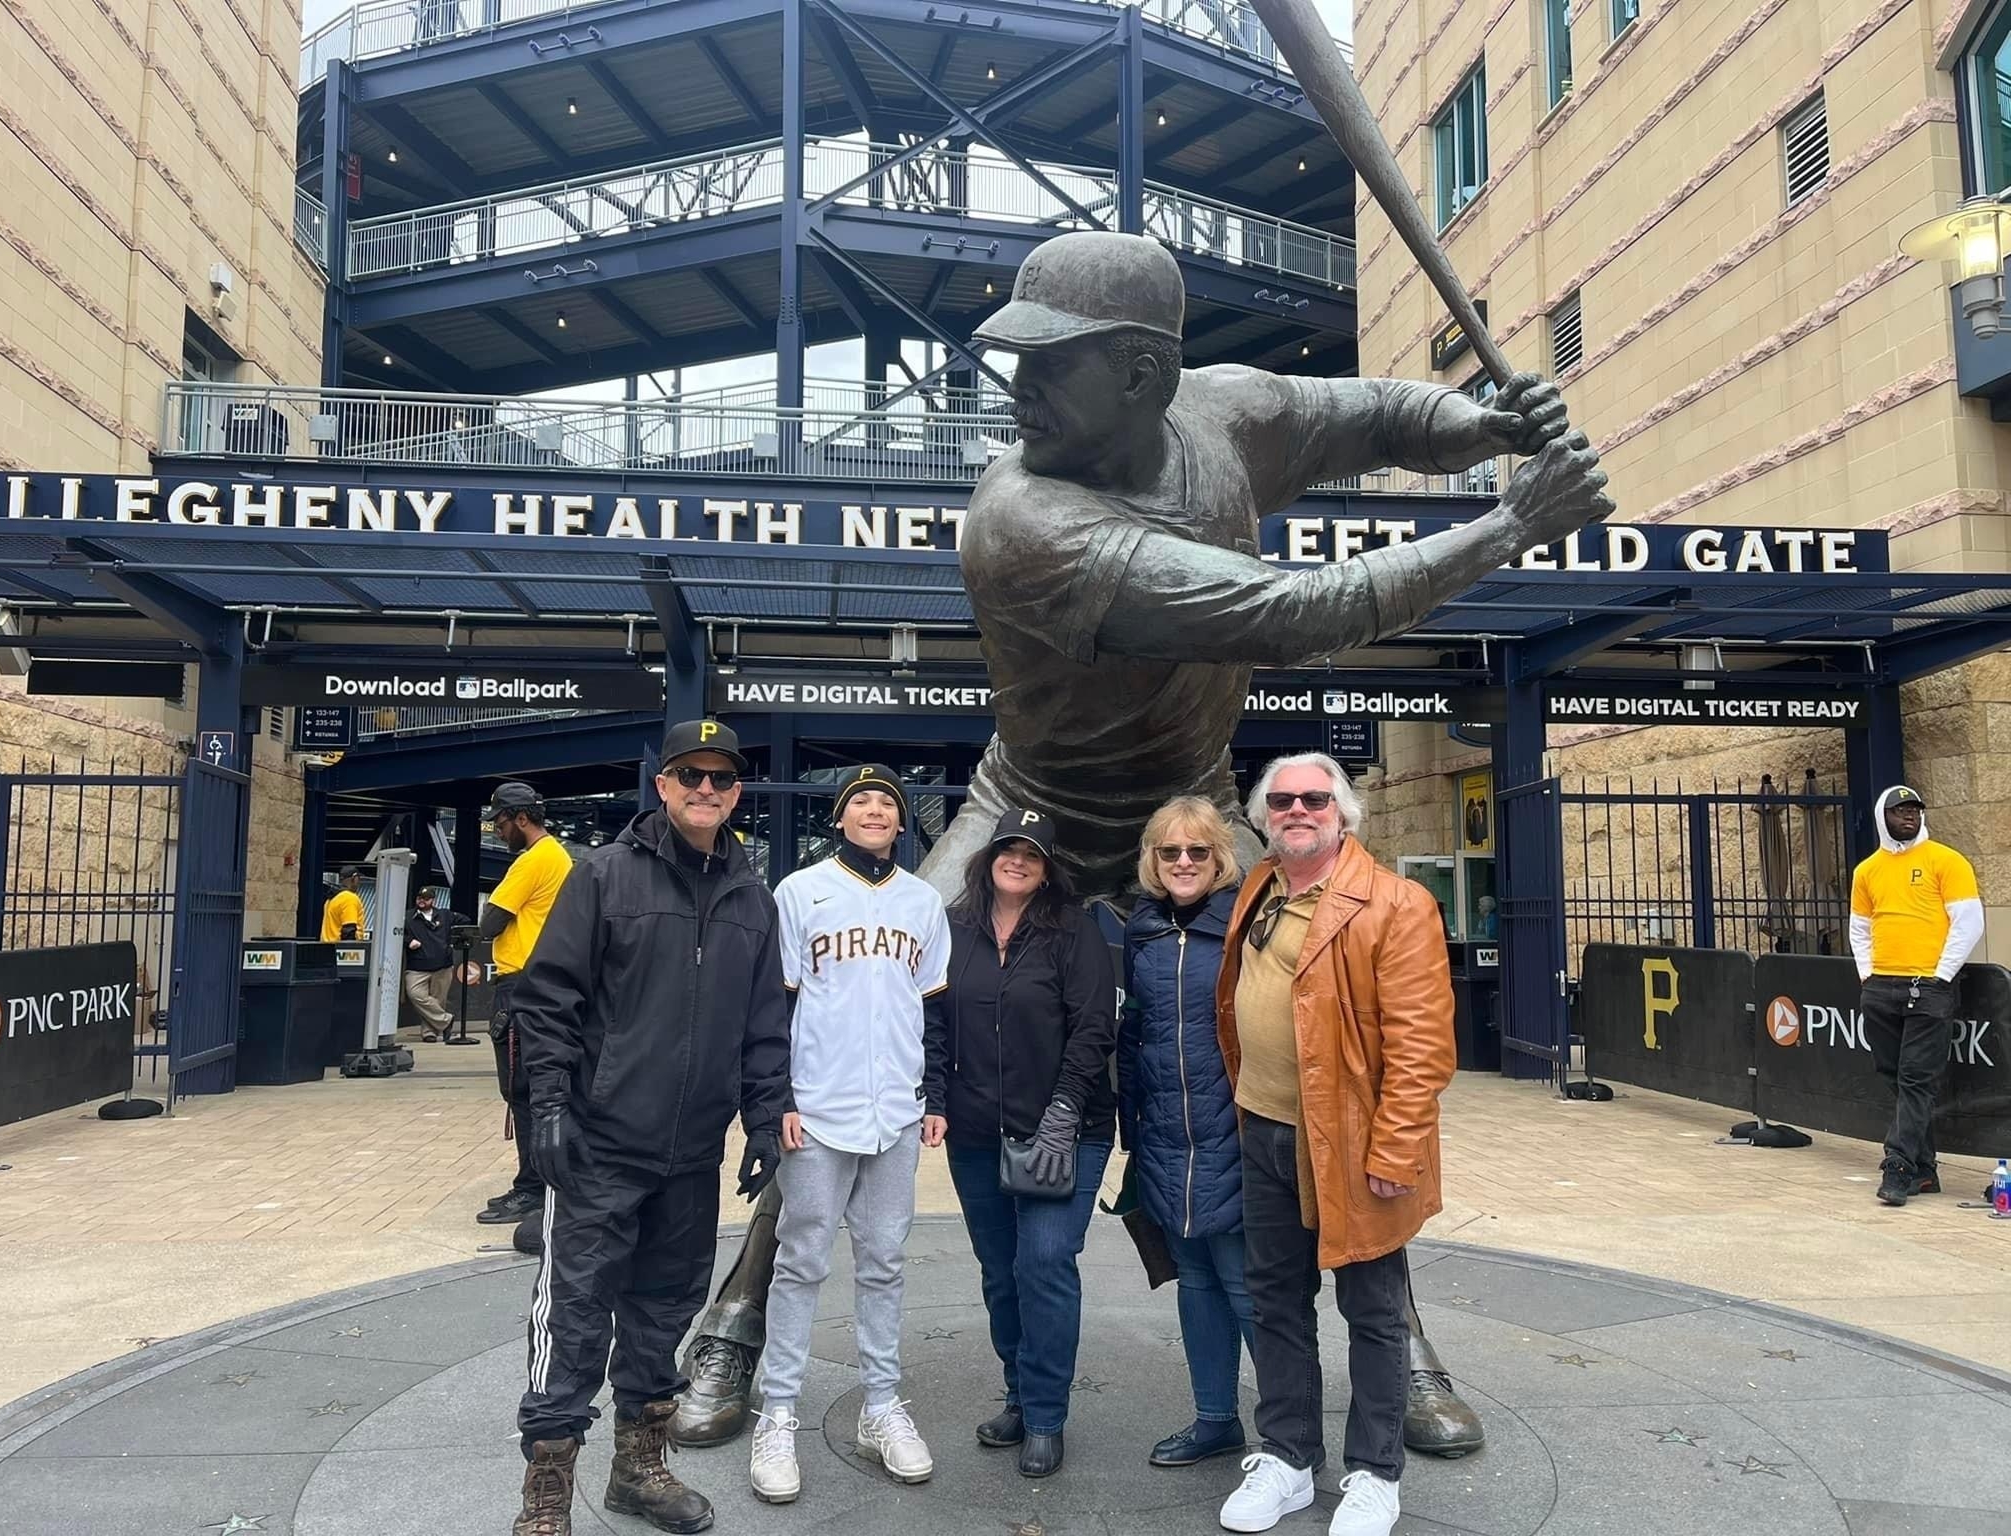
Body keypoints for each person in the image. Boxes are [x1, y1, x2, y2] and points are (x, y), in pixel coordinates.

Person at [678, 228, 1608, 1453]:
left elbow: (1382, 412)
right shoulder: (1018, 516)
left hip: (1187, 811)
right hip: (1030, 814)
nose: (1013, 389)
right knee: (866, 1032)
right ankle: (738, 1314)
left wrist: (1480, 425)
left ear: (1140, 372)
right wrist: (1507, 525)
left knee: (1302, 1051)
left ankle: (1398, 1331)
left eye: (1046, 363)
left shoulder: (1230, 412)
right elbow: (1292, 614)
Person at [505, 720, 791, 1536]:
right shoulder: (603, 876)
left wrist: (765, 1120)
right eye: (690, 775)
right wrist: (551, 1104)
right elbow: (548, 997)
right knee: (575, 1308)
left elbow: (763, 1023)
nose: (707, 788)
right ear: (662, 785)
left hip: (691, 1154)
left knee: (664, 1311)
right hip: (600, 1145)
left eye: (722, 779)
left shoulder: (752, 899)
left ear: (737, 795)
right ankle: (547, 1485)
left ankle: (638, 1467)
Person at [1214, 754, 1456, 1536]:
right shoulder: (1261, 886)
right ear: (1262, 816)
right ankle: (1287, 1458)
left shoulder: (1396, 903)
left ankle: (1375, 1472)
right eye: (1281, 800)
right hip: (1267, 1129)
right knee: (1276, 1301)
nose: (1297, 811)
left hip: (1353, 1144)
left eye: (1314, 799)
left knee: (1374, 1312)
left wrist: (1394, 1151)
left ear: (1342, 811)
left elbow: (1423, 1047)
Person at [747, 765, 951, 1504]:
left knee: (885, 1260)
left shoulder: (923, 900)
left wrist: (937, 1093)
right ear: (841, 819)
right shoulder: (800, 890)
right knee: (801, 1262)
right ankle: (778, 1411)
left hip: (896, 1107)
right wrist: (778, 1098)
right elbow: (774, 1005)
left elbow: (933, 1010)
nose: (874, 809)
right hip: (817, 1108)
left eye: (887, 802)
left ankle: (880, 1406)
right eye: (860, 800)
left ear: (901, 822)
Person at [940, 806, 1118, 1480]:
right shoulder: (955, 926)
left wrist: (1064, 1111)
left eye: (1033, 853)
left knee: (1043, 1262)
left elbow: (1093, 1025)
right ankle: (1017, 1392)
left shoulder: (1075, 930)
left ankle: (1046, 1415)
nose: (1018, 860)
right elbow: (934, 1019)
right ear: (989, 858)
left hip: (1064, 1128)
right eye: (1008, 848)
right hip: (978, 1129)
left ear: (1048, 870)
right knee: (1000, 1268)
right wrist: (936, 1103)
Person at [1119, 796, 1252, 1469]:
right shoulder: (1142, 935)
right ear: (1152, 860)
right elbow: (1134, 1032)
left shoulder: (1246, 930)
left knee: (1249, 1289)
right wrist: (1131, 1131)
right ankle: (1215, 1418)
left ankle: (1292, 1436)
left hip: (1234, 1138)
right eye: (1170, 851)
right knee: (1197, 1282)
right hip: (1169, 1139)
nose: (1183, 862)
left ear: (1219, 858)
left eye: (1197, 850)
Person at [1849, 785, 1983, 1207]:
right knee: (1894, 1076)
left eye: (1914, 809)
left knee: (1915, 1079)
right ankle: (1925, 1170)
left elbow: (1969, 922)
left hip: (1929, 988)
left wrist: (1941, 976)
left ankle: (1899, 1165)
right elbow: (1860, 928)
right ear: (1881, 816)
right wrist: (1867, 976)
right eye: (1899, 810)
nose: (1909, 815)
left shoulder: (1947, 860)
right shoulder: (1867, 871)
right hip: (1881, 987)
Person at [476, 783, 573, 1228]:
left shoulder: (533, 860)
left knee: (521, 1090)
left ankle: (532, 1189)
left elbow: (488, 922)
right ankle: (534, 1183)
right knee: (536, 1089)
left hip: (521, 988)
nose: (497, 831)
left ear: (520, 818)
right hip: (543, 984)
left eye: (499, 822)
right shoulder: (558, 856)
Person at [402, 885, 468, 1042]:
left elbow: (466, 920)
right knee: (415, 994)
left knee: (438, 1000)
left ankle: (429, 1033)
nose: (422, 901)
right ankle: (446, 1020)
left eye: (426, 898)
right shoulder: (408, 917)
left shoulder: (444, 915)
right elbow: (397, 933)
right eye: (419, 898)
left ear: (433, 900)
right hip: (417, 966)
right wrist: (408, 941)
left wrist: (452, 939)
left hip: (442, 965)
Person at [320, 866, 365, 942]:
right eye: (358, 878)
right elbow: (349, 931)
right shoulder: (349, 898)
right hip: (340, 950)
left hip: (327, 948)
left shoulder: (331, 898)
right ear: (354, 878)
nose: (359, 883)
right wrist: (350, 951)